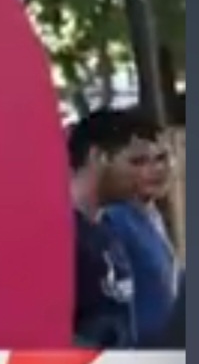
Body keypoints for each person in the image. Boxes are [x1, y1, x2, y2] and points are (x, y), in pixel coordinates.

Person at [68, 108, 159, 347]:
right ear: (99, 156)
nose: (144, 175)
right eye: (135, 162)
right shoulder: (62, 238)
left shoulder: (107, 231)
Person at [102, 116, 179, 342]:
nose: (155, 169)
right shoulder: (114, 219)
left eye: (162, 158)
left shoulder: (151, 212)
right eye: (138, 162)